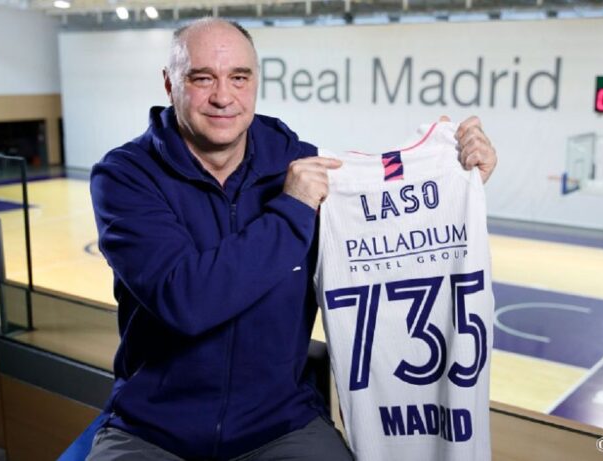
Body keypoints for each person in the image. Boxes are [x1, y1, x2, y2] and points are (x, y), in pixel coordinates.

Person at [88, 18, 497, 461]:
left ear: (255, 82)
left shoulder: (299, 163)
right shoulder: (125, 176)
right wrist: (292, 209)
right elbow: (185, 299)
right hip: (154, 429)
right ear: (170, 84)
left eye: (239, 78)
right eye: (202, 78)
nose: (223, 96)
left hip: (279, 425)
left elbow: (388, 249)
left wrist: (454, 182)